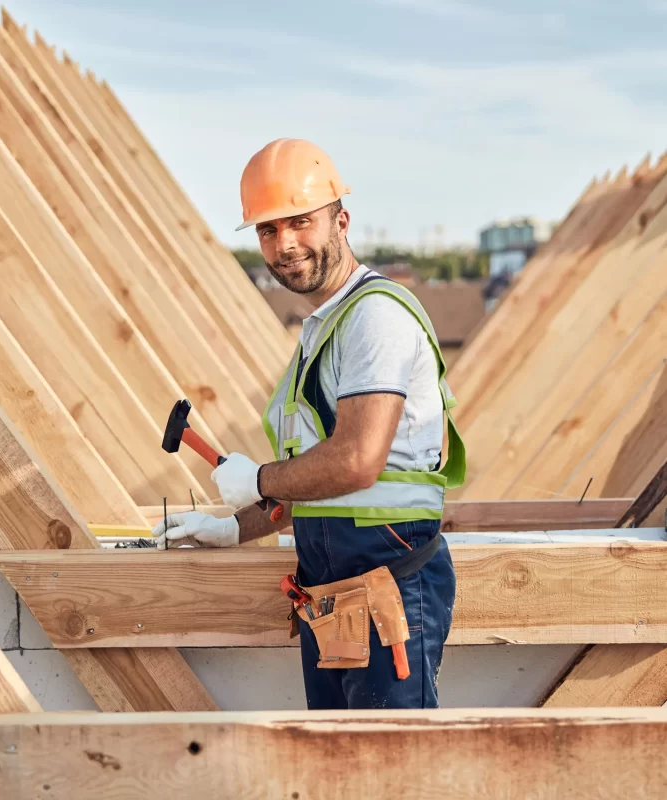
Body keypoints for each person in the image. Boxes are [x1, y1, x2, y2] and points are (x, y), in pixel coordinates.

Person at [152, 138, 466, 710]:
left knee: (390, 777)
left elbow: (357, 461)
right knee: (337, 772)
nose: (285, 244)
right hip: (335, 594)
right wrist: (237, 526)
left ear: (341, 220)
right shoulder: (324, 330)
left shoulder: (375, 316)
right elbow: (322, 485)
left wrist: (261, 480)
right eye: (268, 230)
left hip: (387, 586)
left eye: (300, 221)